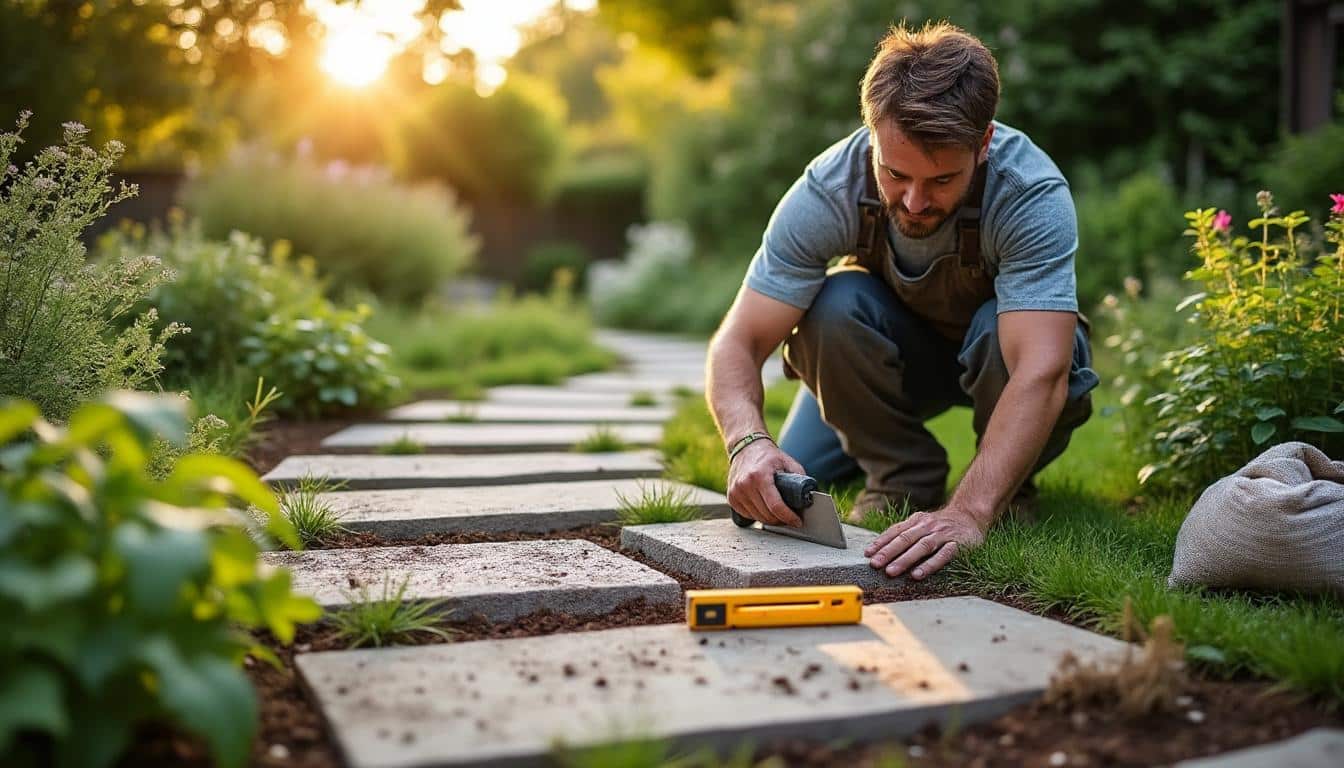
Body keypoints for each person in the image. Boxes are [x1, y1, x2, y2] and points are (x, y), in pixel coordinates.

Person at [706, 20, 1099, 581]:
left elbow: (1042, 370)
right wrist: (748, 443)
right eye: (895, 173)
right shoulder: (829, 188)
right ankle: (902, 475)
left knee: (1002, 332)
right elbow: (738, 341)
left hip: (999, 365)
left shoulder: (1028, 193)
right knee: (800, 437)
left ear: (983, 143)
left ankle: (1004, 496)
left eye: (941, 180)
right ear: (871, 134)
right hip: (895, 358)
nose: (914, 201)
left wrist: (969, 511)